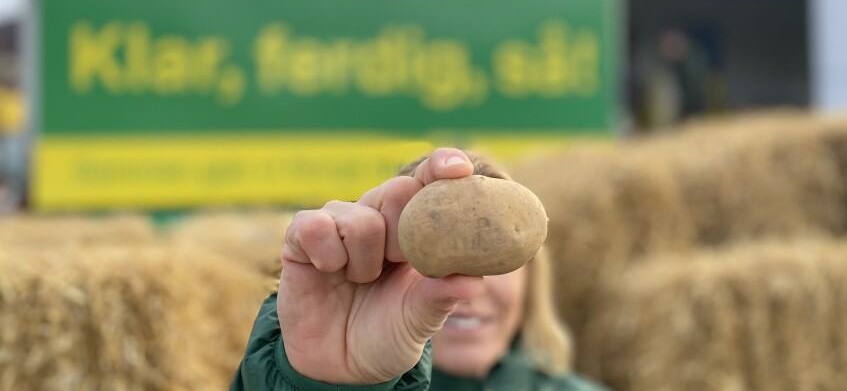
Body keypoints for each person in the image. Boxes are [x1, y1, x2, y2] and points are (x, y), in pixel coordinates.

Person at [231, 147, 606, 390]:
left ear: (531, 277)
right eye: (436, 259)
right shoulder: (319, 369)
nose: (464, 289)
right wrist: (316, 383)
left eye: (485, 255)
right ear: (375, 274)